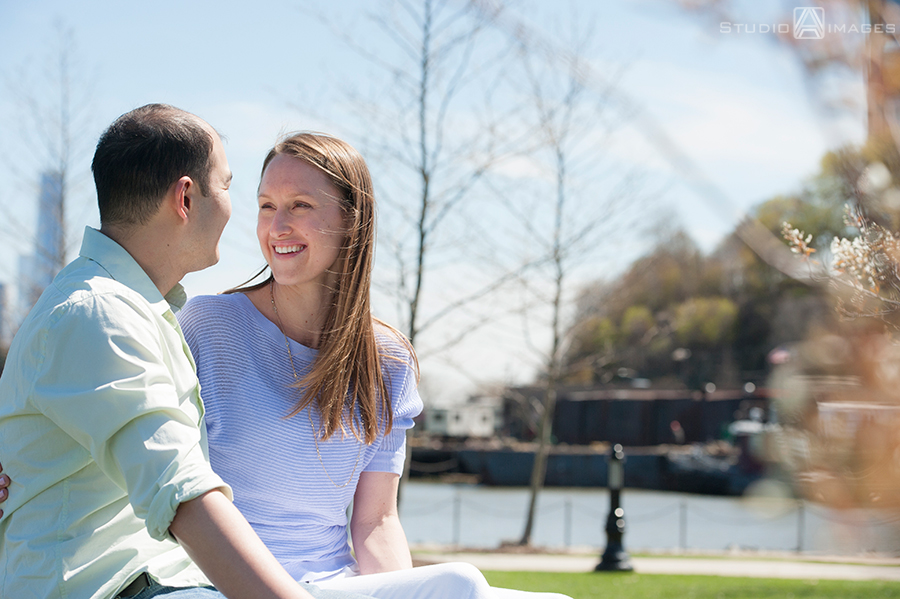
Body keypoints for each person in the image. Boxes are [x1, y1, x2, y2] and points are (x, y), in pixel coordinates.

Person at [0, 105, 376, 599]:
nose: (237, 211)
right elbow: (183, 493)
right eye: (226, 186)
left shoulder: (138, 309)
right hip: (109, 588)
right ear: (185, 198)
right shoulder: (100, 314)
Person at [178, 132, 572, 599]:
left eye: (300, 205)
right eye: (267, 206)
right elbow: (174, 491)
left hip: (335, 586)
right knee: (461, 583)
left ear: (351, 219)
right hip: (226, 586)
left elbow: (376, 521)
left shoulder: (388, 360)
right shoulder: (208, 326)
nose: (277, 226)